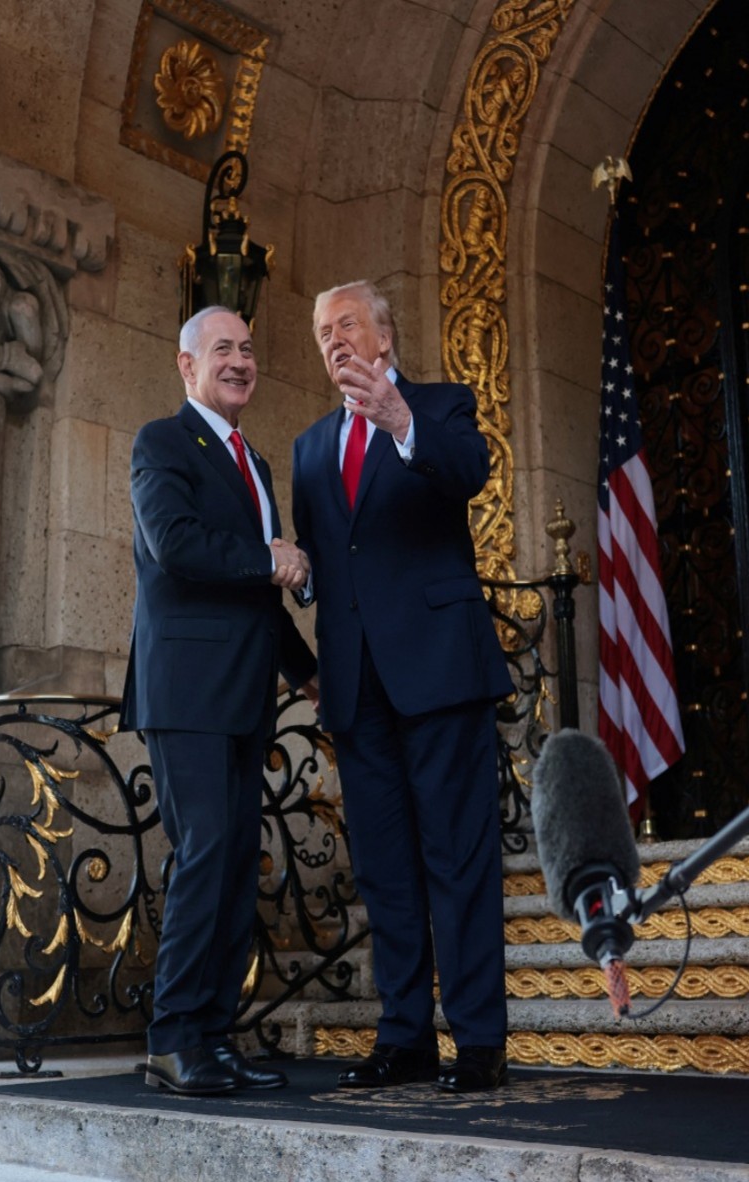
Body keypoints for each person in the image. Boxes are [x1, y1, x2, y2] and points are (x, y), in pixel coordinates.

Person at [291, 280, 513, 1093]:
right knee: (385, 867)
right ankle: (405, 1035)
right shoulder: (310, 448)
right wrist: (300, 577)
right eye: (322, 332)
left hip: (440, 667)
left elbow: (469, 472)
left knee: (458, 856)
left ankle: (480, 1039)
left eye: (346, 324)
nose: (334, 340)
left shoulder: (442, 405)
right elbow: (323, 561)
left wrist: (399, 420)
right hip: (356, 686)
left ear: (384, 336)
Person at [120, 305, 318, 1095]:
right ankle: (171, 1039)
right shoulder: (161, 443)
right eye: (223, 349)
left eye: (248, 348)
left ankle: (211, 1037)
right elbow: (178, 545)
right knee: (205, 853)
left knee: (238, 862)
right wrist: (269, 555)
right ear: (187, 365)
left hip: (244, 694)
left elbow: (260, 599)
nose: (240, 360)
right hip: (187, 691)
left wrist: (307, 673)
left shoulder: (256, 463)